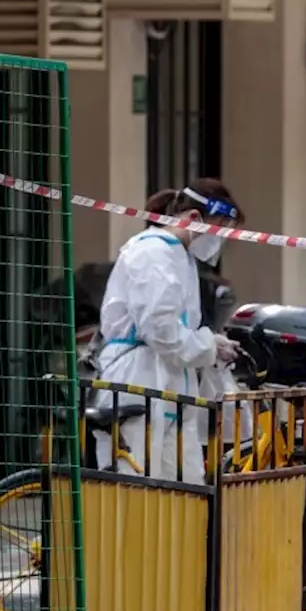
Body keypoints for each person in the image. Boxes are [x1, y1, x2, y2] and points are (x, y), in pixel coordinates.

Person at [88, 179, 244, 484]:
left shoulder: (178, 256)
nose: (220, 240)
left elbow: (175, 328)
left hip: (167, 384)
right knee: (138, 492)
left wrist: (209, 343)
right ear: (194, 219)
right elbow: (161, 331)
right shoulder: (152, 253)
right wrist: (208, 347)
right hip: (138, 377)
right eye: (220, 228)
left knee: (184, 489)